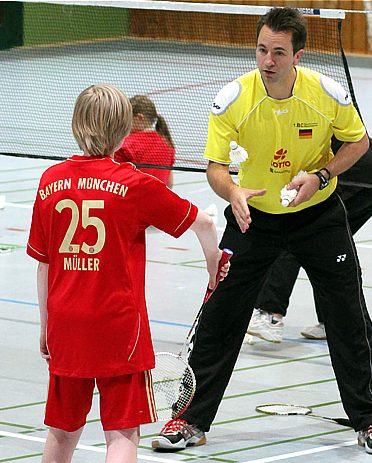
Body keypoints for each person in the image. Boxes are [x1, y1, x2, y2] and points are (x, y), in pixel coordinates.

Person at [152, 8, 372, 455]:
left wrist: (322, 175)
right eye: (262, 50)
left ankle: (370, 421)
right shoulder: (233, 99)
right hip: (252, 221)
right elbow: (215, 167)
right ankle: (188, 420)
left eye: (278, 52)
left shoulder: (325, 95)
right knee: (219, 320)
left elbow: (358, 143)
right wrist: (234, 193)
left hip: (318, 217)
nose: (267, 60)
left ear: (297, 56)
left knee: (348, 319)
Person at [26, 84, 229, 462]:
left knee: (61, 432)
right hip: (120, 329)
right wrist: (212, 260)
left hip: (66, 325)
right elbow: (201, 222)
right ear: (124, 132)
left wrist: (45, 326)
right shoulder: (134, 184)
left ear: (75, 124)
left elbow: (44, 264)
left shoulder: (49, 182)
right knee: (121, 436)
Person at [247, 137, 372, 343]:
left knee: (300, 234)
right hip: (364, 175)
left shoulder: (312, 114)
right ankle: (333, 322)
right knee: (326, 245)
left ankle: (270, 315)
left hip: (363, 177)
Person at [114, 95, 175, 188]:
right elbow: (169, 183)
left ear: (139, 118)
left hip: (133, 200)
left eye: (127, 119)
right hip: (159, 200)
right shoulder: (167, 143)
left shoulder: (125, 144)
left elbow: (113, 180)